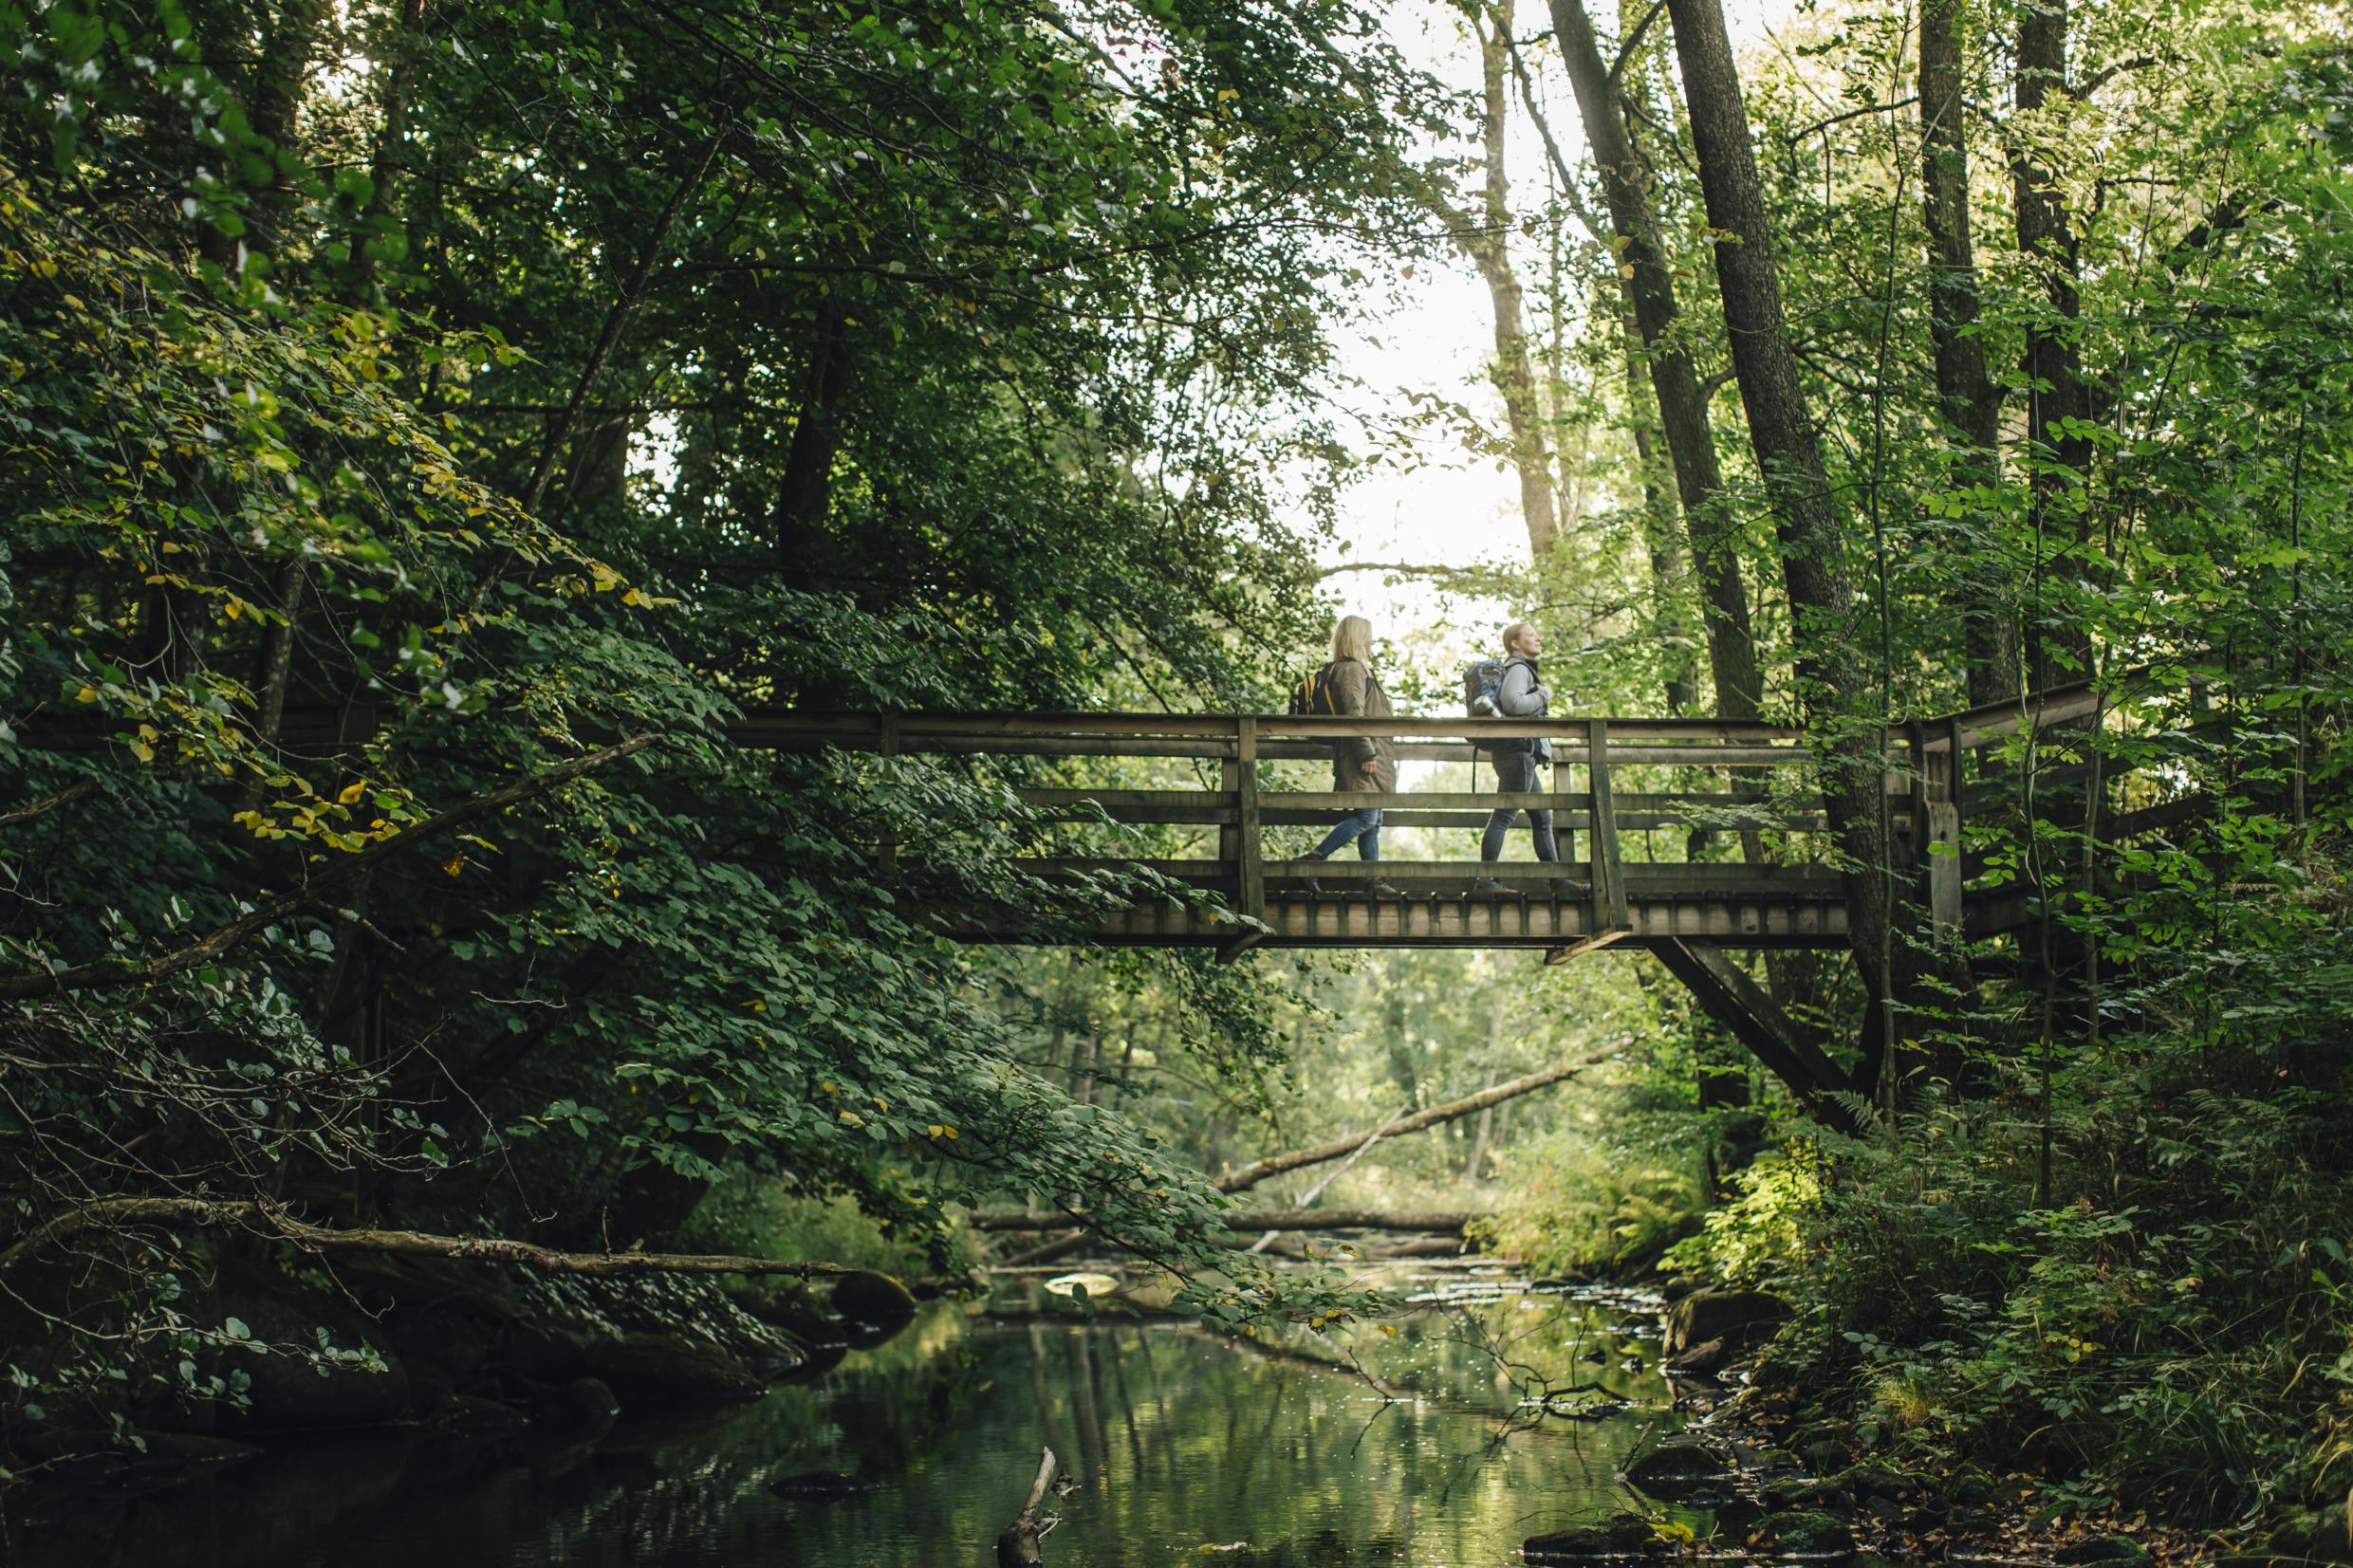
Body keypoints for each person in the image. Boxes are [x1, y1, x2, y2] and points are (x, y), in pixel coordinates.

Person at [1473, 621, 1584, 901]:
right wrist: (1543, 695)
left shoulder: (1518, 668)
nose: (1538, 638)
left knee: (1542, 818)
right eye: (1531, 635)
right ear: (1515, 644)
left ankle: (1559, 882)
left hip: (1518, 755)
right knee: (1504, 816)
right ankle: (1486, 880)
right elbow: (1512, 704)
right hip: (1518, 753)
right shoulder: (1519, 668)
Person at [1297, 615, 1401, 898]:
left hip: (1373, 753)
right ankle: (1313, 860)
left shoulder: (1358, 669)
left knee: (1372, 822)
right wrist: (1366, 751)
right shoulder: (1351, 670)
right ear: (1357, 638)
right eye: (1368, 636)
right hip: (1363, 755)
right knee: (1367, 818)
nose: (1371, 642)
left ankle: (1373, 881)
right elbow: (1354, 714)